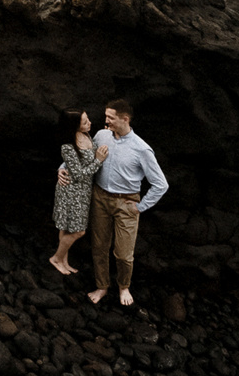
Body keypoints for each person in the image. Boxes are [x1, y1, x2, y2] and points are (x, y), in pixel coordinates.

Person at [59, 98, 167, 306]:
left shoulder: (141, 149)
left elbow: (160, 184)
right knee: (99, 247)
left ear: (124, 119)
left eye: (110, 117)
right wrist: (62, 168)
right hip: (99, 197)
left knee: (124, 254)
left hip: (126, 202)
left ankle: (123, 286)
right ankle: (102, 286)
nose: (105, 120)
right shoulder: (101, 135)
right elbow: (82, 154)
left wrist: (140, 206)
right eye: (106, 116)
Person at [47, 109, 105, 276]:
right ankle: (57, 258)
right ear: (74, 126)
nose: (90, 123)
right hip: (71, 191)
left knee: (66, 228)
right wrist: (98, 161)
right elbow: (78, 175)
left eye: (88, 120)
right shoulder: (68, 146)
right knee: (78, 231)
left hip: (83, 191)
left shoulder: (87, 136)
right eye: (85, 122)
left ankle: (64, 261)